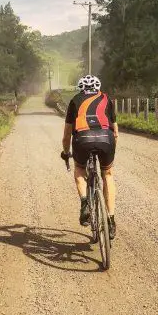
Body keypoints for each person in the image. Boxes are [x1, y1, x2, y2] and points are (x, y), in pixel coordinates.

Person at [60, 75, 118, 240]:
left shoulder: (75, 101)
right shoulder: (106, 99)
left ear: (81, 88)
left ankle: (85, 203)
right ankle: (111, 220)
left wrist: (66, 153)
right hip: (106, 139)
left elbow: (66, 135)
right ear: (98, 87)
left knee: (79, 169)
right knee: (107, 174)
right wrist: (111, 152)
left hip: (82, 139)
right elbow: (116, 132)